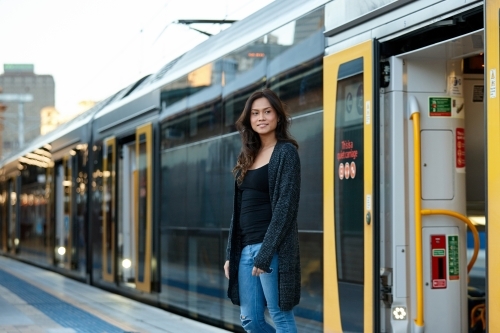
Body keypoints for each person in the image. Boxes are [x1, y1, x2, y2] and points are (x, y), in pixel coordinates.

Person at [224, 88, 301, 333]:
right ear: (249, 119)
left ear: (278, 116)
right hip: (245, 249)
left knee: (280, 315)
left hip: (273, 248)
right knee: (250, 320)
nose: (261, 117)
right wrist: (231, 254)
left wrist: (265, 253)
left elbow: (285, 208)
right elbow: (238, 213)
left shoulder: (286, 153)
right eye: (255, 113)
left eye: (267, 112)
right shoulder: (247, 156)